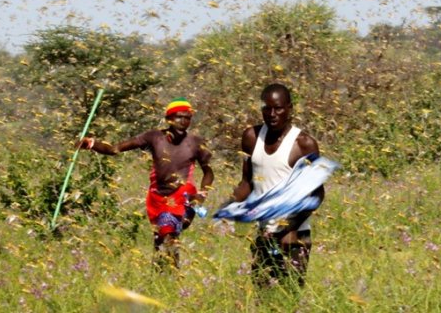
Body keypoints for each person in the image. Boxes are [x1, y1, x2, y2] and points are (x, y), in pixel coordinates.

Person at [78, 97, 213, 269]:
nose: (184, 121)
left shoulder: (196, 143)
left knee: (168, 233)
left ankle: (170, 276)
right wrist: (91, 144)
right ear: (169, 119)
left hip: (182, 195)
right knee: (160, 239)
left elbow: (208, 172)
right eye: (179, 117)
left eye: (187, 117)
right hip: (157, 197)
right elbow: (114, 149)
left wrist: (201, 195)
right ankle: (162, 278)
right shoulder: (154, 137)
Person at [232, 83, 323, 288]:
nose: (272, 114)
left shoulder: (304, 144)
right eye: (267, 108)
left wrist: (289, 228)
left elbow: (317, 195)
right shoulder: (251, 138)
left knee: (288, 298)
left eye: (278, 108)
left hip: (294, 236)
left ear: (290, 109)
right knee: (261, 299)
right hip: (264, 235)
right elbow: (247, 182)